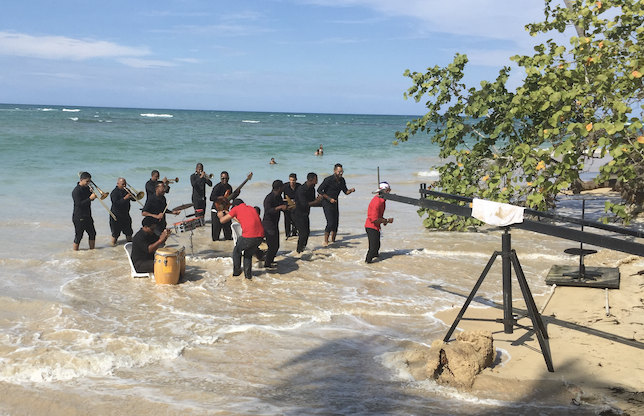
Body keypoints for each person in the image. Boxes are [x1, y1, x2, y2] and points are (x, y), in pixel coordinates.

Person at [218, 199, 265, 280]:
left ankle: (236, 273)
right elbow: (240, 221)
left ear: (235, 206)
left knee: (236, 251)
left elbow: (222, 221)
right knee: (248, 254)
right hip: (260, 236)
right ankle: (248, 276)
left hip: (249, 236)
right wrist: (229, 214)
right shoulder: (250, 208)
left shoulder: (236, 209)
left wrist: (220, 216)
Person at [317, 163, 355, 246]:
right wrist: (329, 198)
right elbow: (319, 190)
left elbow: (345, 192)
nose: (341, 173)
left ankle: (333, 241)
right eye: (339, 171)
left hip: (335, 203)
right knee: (330, 223)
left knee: (335, 223)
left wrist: (351, 190)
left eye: (342, 171)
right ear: (334, 171)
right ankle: (326, 241)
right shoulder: (328, 180)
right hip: (326, 202)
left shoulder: (342, 180)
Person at [292, 172, 324, 253]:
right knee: (303, 234)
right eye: (315, 180)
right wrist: (316, 201)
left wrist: (322, 202)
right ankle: (299, 251)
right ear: (311, 180)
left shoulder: (312, 189)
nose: (317, 182)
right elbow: (304, 204)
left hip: (305, 214)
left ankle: (302, 249)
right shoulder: (301, 190)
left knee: (307, 233)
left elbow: (312, 202)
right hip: (297, 214)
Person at [365, 182, 394, 263]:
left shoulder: (382, 200)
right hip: (371, 226)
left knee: (377, 246)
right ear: (383, 191)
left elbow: (378, 216)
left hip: (375, 226)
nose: (389, 192)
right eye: (387, 191)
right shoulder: (377, 202)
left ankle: (377, 265)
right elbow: (374, 219)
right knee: (373, 248)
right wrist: (386, 220)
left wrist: (384, 221)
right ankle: (367, 263)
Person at [263, 180, 288, 268]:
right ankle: (267, 264)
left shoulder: (279, 197)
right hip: (268, 225)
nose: (284, 188)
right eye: (283, 187)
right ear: (280, 188)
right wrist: (280, 207)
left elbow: (282, 206)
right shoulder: (269, 198)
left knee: (276, 246)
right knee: (272, 246)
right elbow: (268, 211)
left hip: (275, 224)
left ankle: (270, 261)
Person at [72, 171, 97, 250]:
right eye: (87, 181)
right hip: (79, 216)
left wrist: (91, 196)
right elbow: (79, 204)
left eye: (89, 181)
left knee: (92, 233)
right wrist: (90, 198)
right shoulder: (76, 191)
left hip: (88, 215)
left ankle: (92, 250)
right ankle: (75, 252)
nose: (88, 183)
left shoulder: (86, 188)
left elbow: (88, 200)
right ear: (81, 180)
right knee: (79, 236)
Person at [209, 171, 236, 241]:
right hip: (216, 211)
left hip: (225, 211)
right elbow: (211, 198)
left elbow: (230, 199)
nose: (225, 180)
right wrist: (221, 198)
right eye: (223, 178)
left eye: (226, 178)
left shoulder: (229, 187)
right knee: (215, 238)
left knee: (228, 236)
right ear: (220, 178)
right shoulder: (217, 187)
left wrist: (236, 194)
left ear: (228, 178)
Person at [109, 177, 135, 246]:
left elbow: (135, 199)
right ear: (118, 184)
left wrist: (131, 194)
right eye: (123, 184)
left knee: (129, 232)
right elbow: (116, 203)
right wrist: (125, 198)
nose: (124, 186)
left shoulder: (126, 191)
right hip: (116, 216)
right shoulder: (114, 192)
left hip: (126, 215)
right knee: (115, 234)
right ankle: (113, 247)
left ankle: (130, 245)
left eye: (125, 184)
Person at [282, 173, 300, 238]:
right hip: (287, 204)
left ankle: (294, 233)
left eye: (293, 180)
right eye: (290, 180)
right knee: (287, 219)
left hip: (296, 204)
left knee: (296, 219)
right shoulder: (285, 186)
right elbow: (278, 194)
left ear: (296, 180)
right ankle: (287, 234)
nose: (292, 182)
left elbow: (301, 196)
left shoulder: (299, 186)